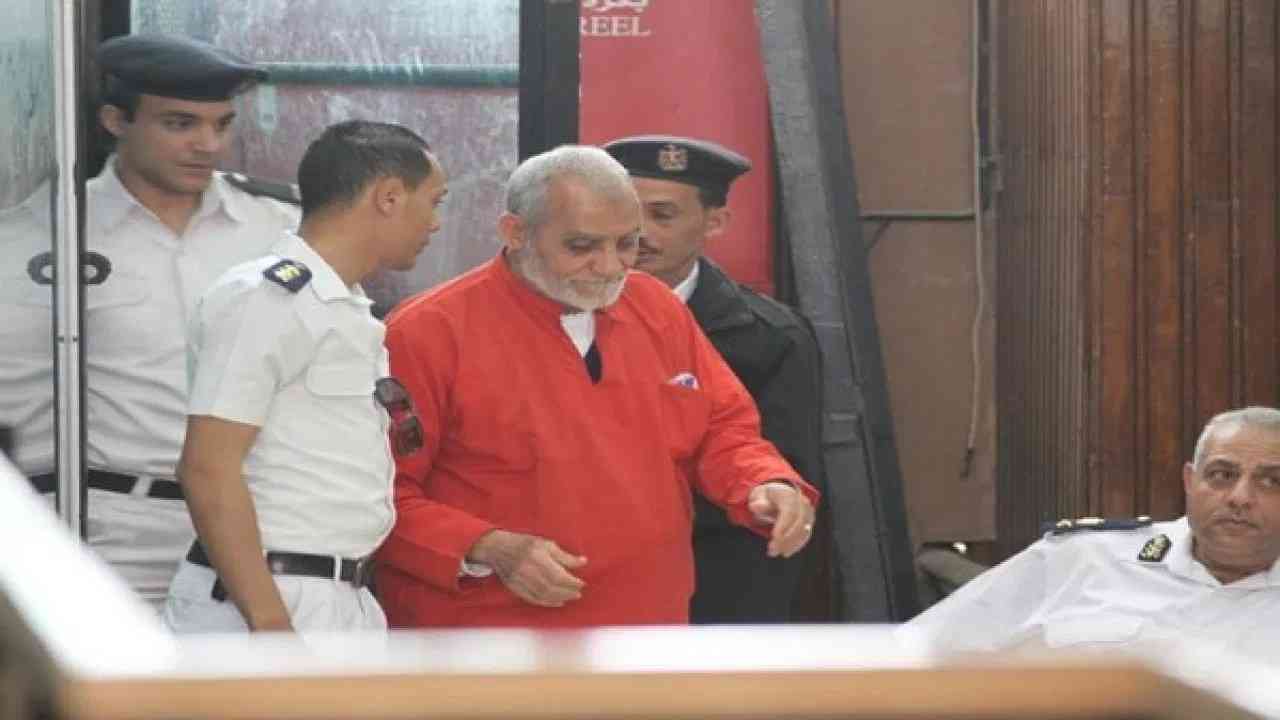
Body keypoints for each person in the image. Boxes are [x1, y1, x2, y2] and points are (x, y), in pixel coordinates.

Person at [375, 145, 819, 628]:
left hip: (647, 631)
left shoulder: (658, 308)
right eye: (582, 246)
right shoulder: (427, 332)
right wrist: (487, 546)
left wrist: (764, 483)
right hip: (488, 641)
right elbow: (379, 496)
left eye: (627, 244)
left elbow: (722, 429)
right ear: (516, 232)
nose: (609, 267)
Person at [19, 34, 303, 611]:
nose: (208, 145)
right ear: (115, 120)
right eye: (180, 124)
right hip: (109, 539)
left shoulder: (281, 226)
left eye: (222, 125)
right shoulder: (49, 230)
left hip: (262, 528)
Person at [163, 120, 448, 633]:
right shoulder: (266, 298)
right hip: (269, 597)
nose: (436, 223)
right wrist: (272, 624)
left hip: (340, 596)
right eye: (433, 201)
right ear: (388, 197)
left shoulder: (344, 307)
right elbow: (207, 467)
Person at [603, 135, 825, 623]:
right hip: (597, 572)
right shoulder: (572, 313)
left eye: (663, 215)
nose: (640, 234)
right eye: (628, 214)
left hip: (720, 577)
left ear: (715, 222)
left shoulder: (767, 335)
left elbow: (783, 471)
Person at [904, 406, 1280, 662]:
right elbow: (914, 655)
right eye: (1222, 475)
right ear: (1189, 481)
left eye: (1271, 481)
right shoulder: (1082, 559)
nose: (1240, 498)